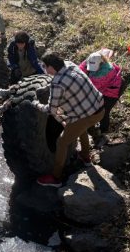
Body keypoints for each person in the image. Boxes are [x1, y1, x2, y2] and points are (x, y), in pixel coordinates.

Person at [32, 52, 105, 188]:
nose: (44, 69)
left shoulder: (57, 83)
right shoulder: (71, 65)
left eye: (45, 66)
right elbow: (68, 83)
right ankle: (85, 157)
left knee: (61, 142)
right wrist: (48, 88)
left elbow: (51, 110)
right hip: (99, 108)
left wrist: (36, 104)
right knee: (79, 126)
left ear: (51, 68)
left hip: (87, 115)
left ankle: (56, 178)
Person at [78, 48, 123, 148]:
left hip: (110, 93)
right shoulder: (91, 60)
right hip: (100, 89)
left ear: (101, 63)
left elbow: (92, 87)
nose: (90, 69)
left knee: (104, 111)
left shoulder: (107, 71)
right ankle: (93, 131)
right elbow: (80, 69)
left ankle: (104, 132)